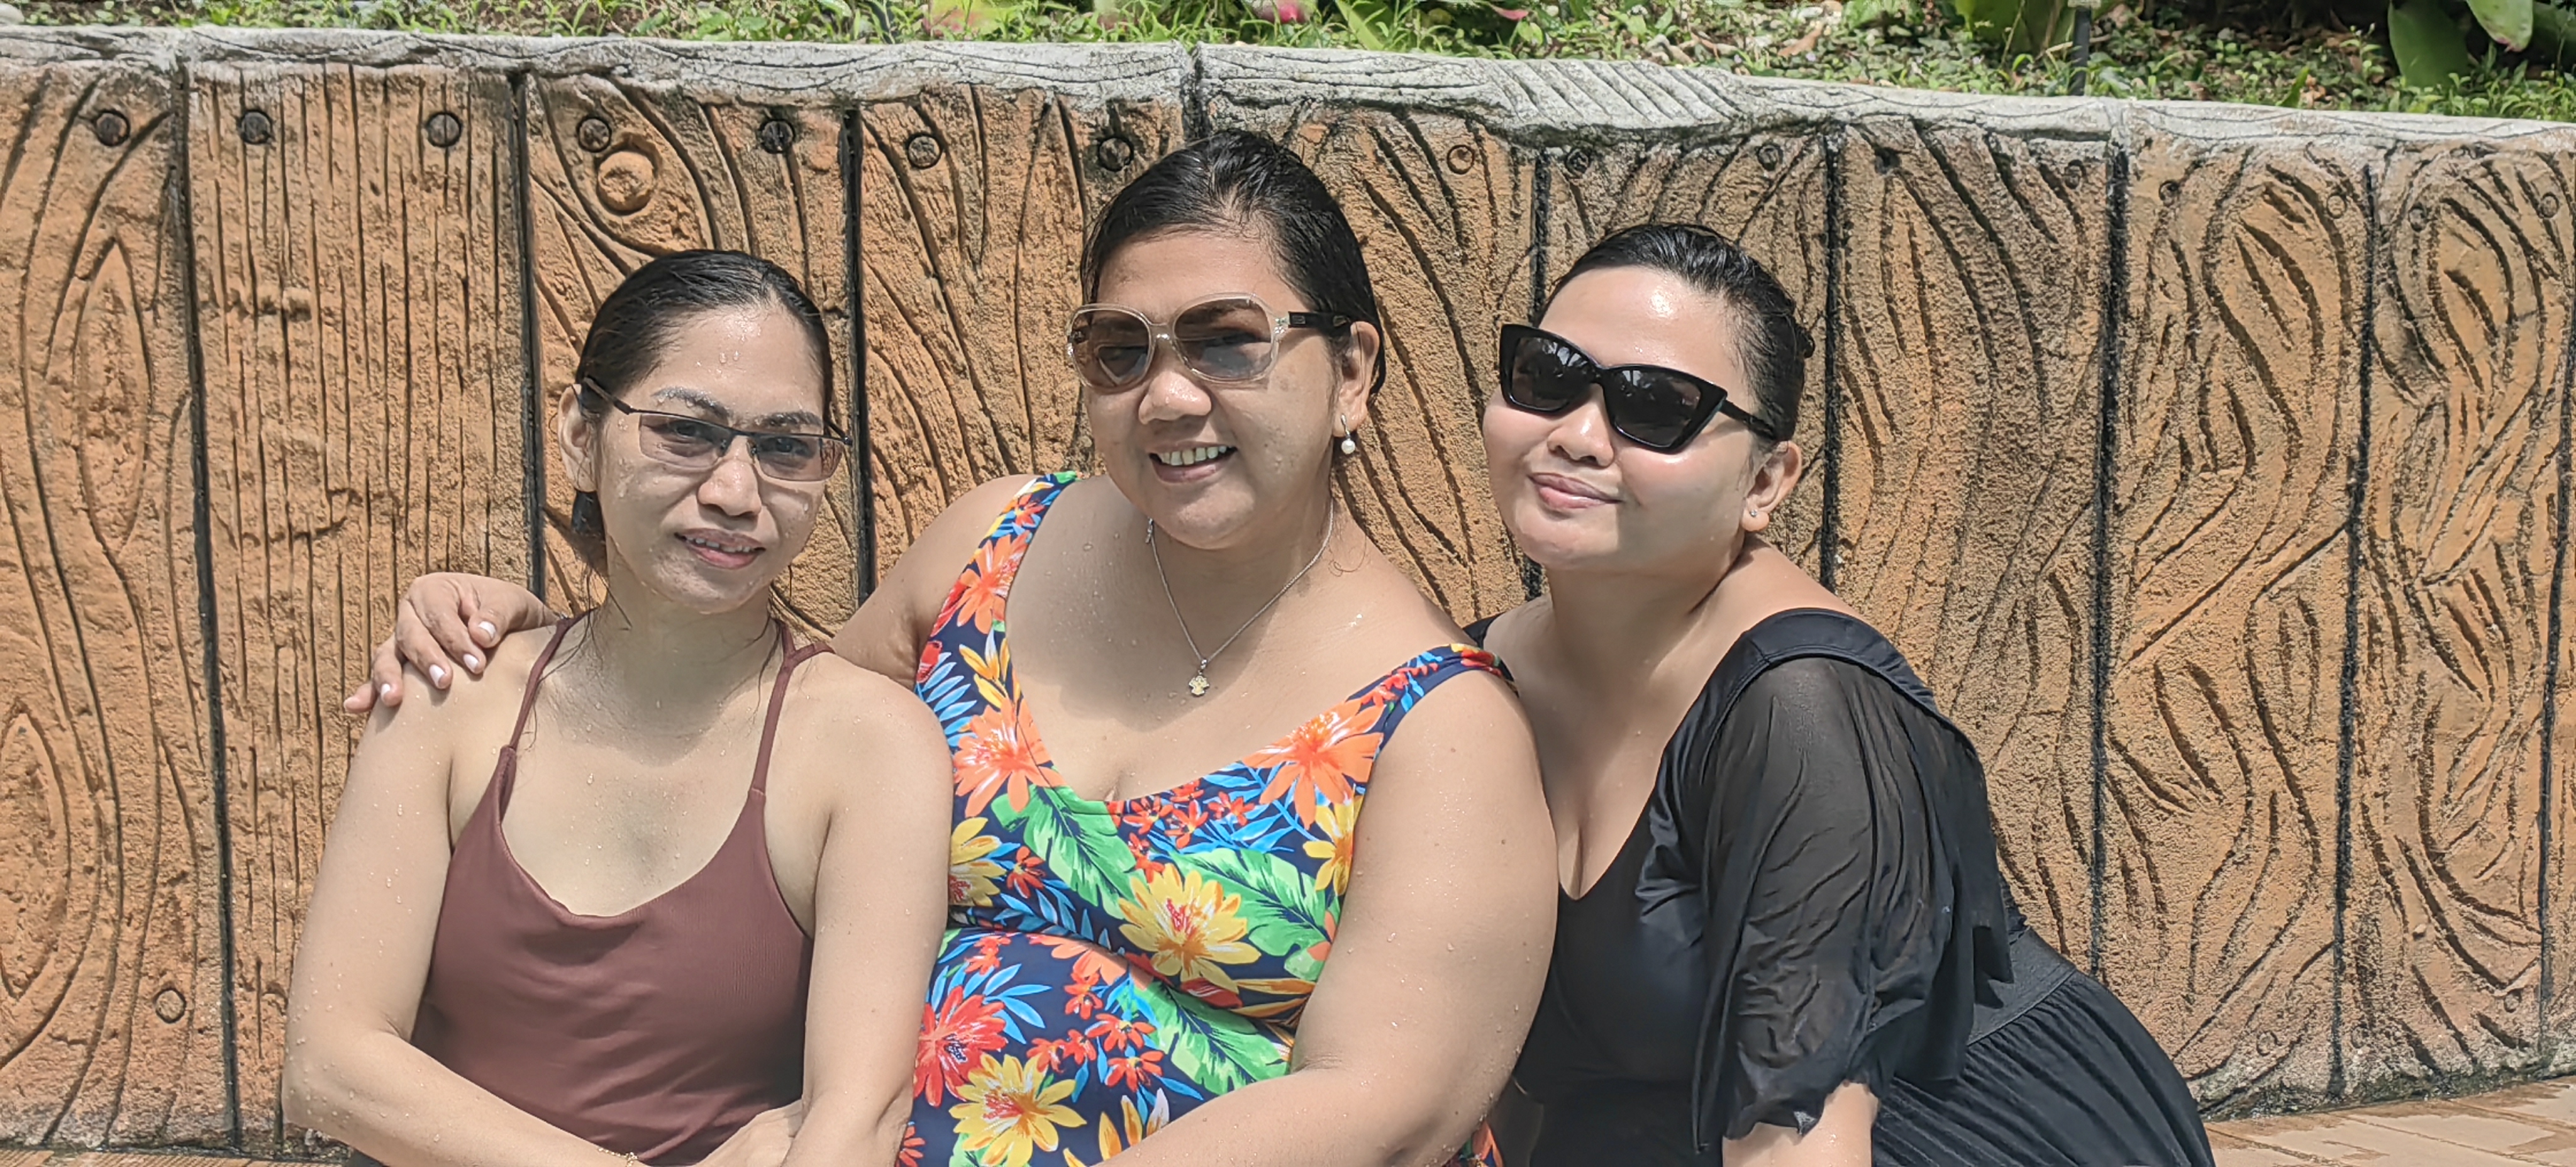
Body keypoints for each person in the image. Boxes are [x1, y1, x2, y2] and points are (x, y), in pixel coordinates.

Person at [344, 132, 1557, 1167]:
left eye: (1227, 341)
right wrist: (539, 635)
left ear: (1352, 370)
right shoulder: (994, 544)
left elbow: (1382, 1109)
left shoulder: (1444, 728)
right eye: (1122, 350)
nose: (1170, 395)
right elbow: (757, 724)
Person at [1472, 223, 2214, 1167]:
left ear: (1766, 481)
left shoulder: (1802, 708)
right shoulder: (1472, 675)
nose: (1577, 437)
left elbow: (1801, 1141)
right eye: (1546, 377)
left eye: (1655, 408)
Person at [289, 251, 953, 1167]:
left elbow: (858, 1120)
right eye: (685, 431)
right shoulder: (456, 695)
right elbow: (331, 1068)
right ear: (581, 435)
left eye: (786, 447)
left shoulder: (870, 745)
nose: (735, 492)